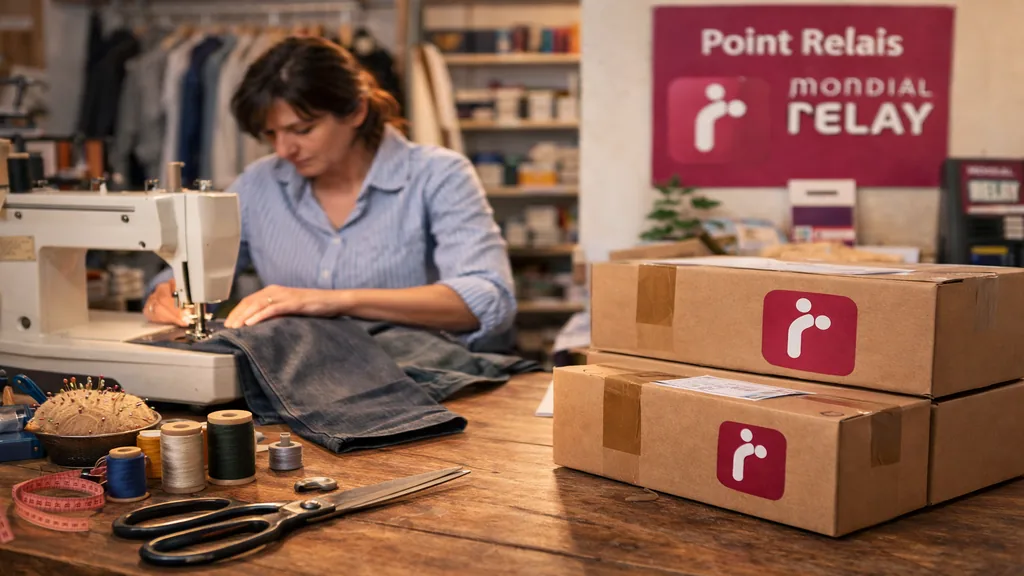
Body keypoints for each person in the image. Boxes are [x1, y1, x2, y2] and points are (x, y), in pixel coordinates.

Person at [144, 37, 516, 345]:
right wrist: (169, 293)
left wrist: (332, 301)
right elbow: (191, 271)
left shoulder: (438, 175)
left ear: (355, 111)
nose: (283, 149)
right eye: (271, 134)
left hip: (418, 386)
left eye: (302, 130)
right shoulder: (259, 184)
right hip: (296, 386)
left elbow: (487, 298)